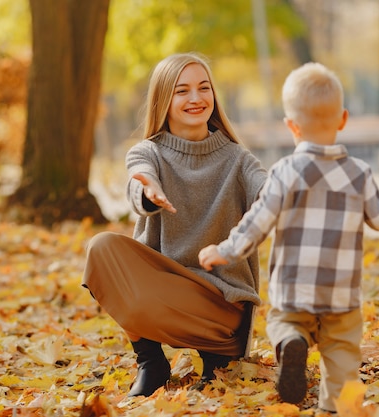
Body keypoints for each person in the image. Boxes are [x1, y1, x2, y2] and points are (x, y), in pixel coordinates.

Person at [198, 62, 379, 411]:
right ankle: (339, 408)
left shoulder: (285, 172)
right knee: (344, 364)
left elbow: (257, 222)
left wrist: (225, 250)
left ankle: (292, 341)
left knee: (283, 324)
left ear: (292, 126)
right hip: (341, 298)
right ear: (343, 119)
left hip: (294, 293)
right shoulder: (358, 174)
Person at [82, 52, 267, 397]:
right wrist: (149, 191)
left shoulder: (239, 160)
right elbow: (140, 178)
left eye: (204, 88)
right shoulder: (148, 153)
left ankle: (218, 359)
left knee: (139, 293)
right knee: (101, 248)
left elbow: (268, 189)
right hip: (165, 290)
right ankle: (151, 363)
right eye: (182, 91)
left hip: (221, 305)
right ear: (163, 100)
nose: (196, 99)